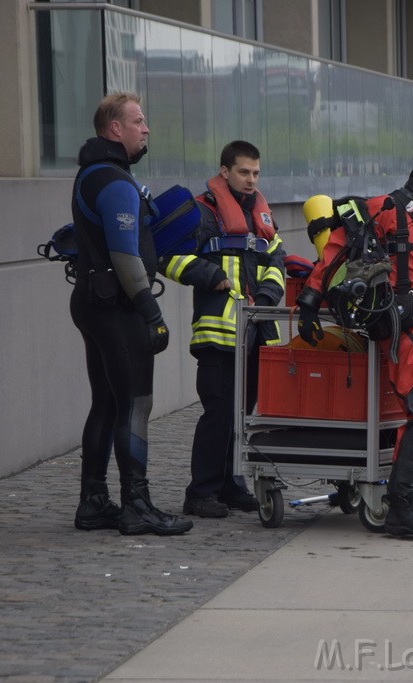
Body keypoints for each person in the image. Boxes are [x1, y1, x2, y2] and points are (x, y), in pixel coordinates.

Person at [294, 141, 413, 539]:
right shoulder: (387, 207)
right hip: (410, 330)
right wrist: (309, 302)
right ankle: (403, 505)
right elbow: (335, 248)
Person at [69, 92, 192, 536]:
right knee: (136, 404)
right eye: (138, 121)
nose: (146, 129)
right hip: (117, 308)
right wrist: (152, 313)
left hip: (91, 302)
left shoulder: (91, 175)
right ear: (114, 129)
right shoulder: (115, 182)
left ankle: (93, 503)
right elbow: (125, 258)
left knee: (105, 402)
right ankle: (136, 506)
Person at [160, 140, 285, 518]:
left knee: (244, 414)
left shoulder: (259, 215)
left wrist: (266, 296)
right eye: (244, 172)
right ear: (225, 171)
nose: (251, 180)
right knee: (218, 414)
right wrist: (209, 274)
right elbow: (166, 257)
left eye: (256, 173)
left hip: (256, 330)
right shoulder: (200, 212)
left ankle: (232, 485)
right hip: (217, 334)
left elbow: (275, 257)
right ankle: (200, 493)